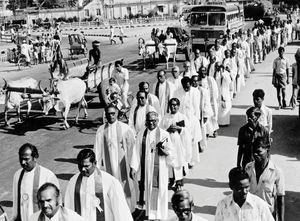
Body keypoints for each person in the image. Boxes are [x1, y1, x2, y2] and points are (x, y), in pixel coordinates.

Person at [65, 149, 133, 221]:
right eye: (80, 166)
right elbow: (68, 207)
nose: (83, 169)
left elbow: (121, 211)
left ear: (95, 163)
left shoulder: (110, 182)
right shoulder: (73, 181)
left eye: (86, 166)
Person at [130, 111, 175, 220]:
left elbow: (172, 152)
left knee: (161, 191)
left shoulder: (164, 134)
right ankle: (151, 215)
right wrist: (134, 167)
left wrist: (166, 152)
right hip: (147, 168)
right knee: (149, 190)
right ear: (146, 121)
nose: (151, 123)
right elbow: (136, 151)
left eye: (154, 121)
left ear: (158, 121)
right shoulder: (142, 134)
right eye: (149, 120)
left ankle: (161, 215)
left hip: (161, 168)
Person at [94, 105, 136, 210]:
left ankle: (128, 210)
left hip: (124, 164)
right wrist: (97, 168)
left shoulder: (125, 128)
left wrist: (133, 165)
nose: (111, 116)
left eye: (113, 113)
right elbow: (97, 150)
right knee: (111, 187)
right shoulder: (101, 130)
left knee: (125, 187)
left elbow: (132, 148)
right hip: (109, 166)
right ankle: (114, 210)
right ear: (105, 114)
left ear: (117, 113)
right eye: (108, 113)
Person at [12, 143, 60, 221]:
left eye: (26, 159)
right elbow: (16, 202)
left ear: (35, 157)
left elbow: (57, 204)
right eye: (21, 159)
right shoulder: (17, 175)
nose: (23, 162)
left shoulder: (47, 176)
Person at [245, 137, 285, 221]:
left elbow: (280, 199)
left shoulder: (276, 172)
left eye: (259, 152)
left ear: (267, 150)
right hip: (250, 214)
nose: (255, 154)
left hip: (267, 216)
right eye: (254, 152)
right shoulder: (248, 168)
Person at [161, 98, 192, 191]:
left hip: (179, 145)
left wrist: (180, 129)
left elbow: (188, 131)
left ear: (178, 106)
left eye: (175, 105)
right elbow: (161, 131)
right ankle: (171, 180)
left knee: (178, 162)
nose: (173, 107)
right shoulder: (165, 117)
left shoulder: (182, 117)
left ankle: (179, 182)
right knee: (170, 162)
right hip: (169, 144)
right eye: (171, 105)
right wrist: (168, 130)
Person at [173, 77, 202, 166]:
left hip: (192, 119)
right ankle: (184, 159)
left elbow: (197, 107)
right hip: (181, 119)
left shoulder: (195, 92)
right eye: (184, 87)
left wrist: (197, 120)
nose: (186, 89)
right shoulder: (177, 92)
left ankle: (192, 160)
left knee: (193, 140)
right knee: (183, 140)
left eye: (188, 87)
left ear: (190, 85)